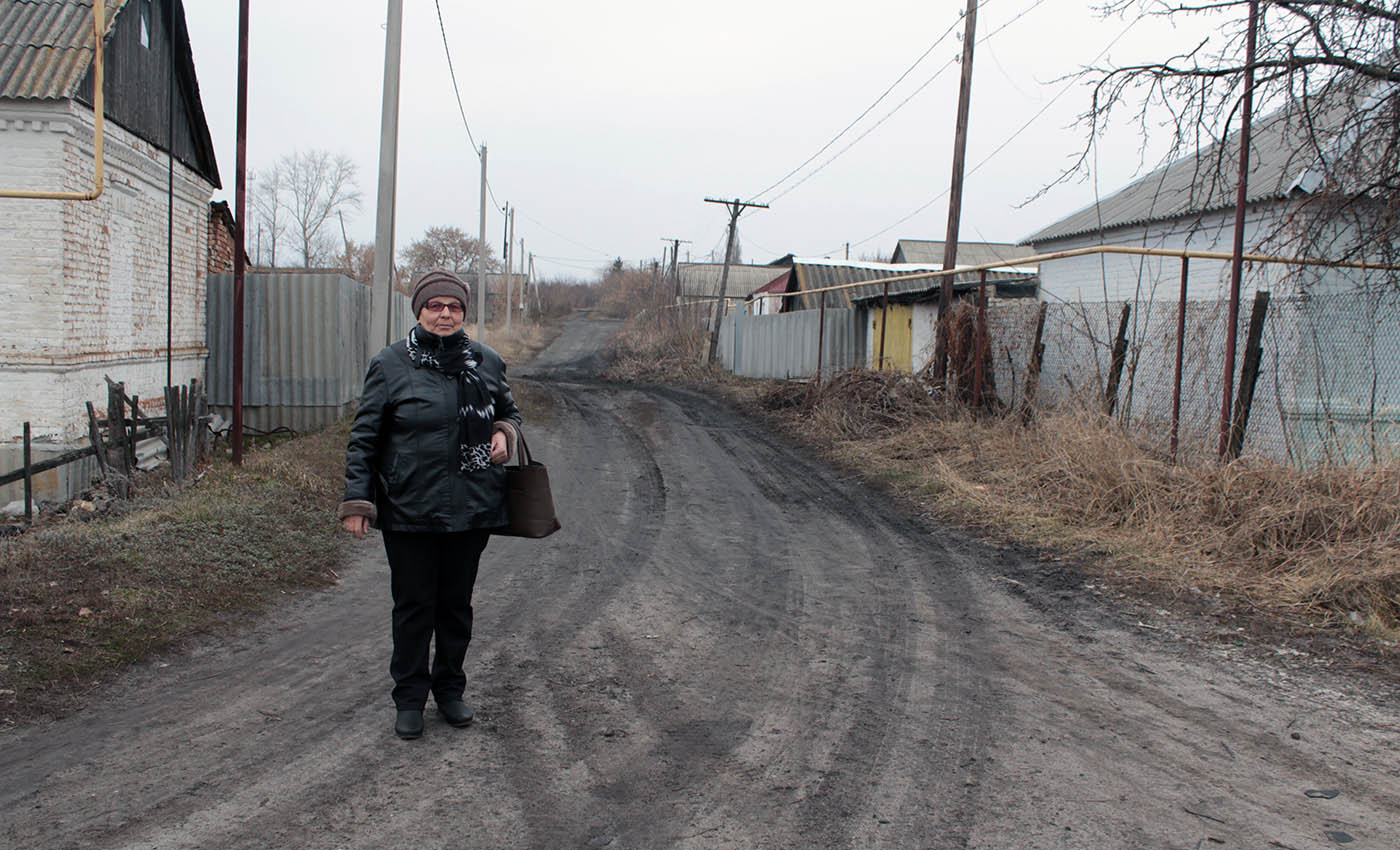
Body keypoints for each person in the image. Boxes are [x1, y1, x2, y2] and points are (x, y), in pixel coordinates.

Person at [338, 268, 520, 740]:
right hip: (409, 507)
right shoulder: (391, 364)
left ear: (464, 313)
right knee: (415, 604)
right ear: (418, 311)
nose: (445, 314)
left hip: (471, 504)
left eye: (454, 307)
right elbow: (365, 438)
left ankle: (451, 691)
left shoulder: (486, 361)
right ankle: (410, 697)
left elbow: (508, 413)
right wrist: (358, 500)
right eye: (435, 306)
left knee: (456, 605)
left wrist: (504, 433)